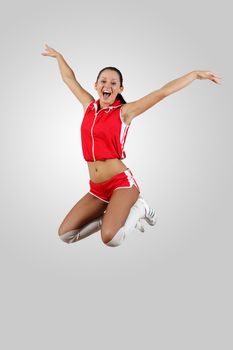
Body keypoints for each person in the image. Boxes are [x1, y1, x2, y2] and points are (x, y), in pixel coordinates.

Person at [41, 44, 221, 247]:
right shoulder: (88, 106)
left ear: (120, 89)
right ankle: (111, 218)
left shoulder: (124, 112)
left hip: (121, 184)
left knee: (111, 239)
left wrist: (195, 75)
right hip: (97, 189)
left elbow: (161, 93)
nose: (107, 85)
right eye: (103, 81)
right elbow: (69, 79)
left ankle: (140, 208)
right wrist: (59, 56)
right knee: (66, 235)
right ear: (96, 85)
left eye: (113, 82)